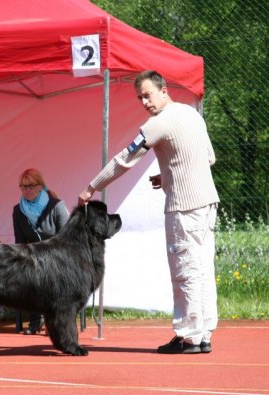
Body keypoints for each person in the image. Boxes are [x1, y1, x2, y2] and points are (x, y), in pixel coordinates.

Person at [78, 70, 220, 354]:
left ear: (163, 90)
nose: (144, 102)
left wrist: (91, 187)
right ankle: (203, 333)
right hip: (207, 203)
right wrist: (167, 176)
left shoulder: (158, 123)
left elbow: (124, 160)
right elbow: (208, 158)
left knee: (185, 270)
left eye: (148, 95)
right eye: (140, 97)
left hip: (184, 206)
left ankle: (188, 336)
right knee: (203, 269)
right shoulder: (192, 114)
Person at [13, 168, 70, 334]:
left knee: (52, 278)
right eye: (23, 187)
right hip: (33, 257)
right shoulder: (18, 210)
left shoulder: (57, 205)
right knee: (30, 276)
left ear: (40, 186)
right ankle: (35, 322)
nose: (27, 190)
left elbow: (66, 238)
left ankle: (55, 322)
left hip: (57, 256)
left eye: (30, 186)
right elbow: (20, 242)